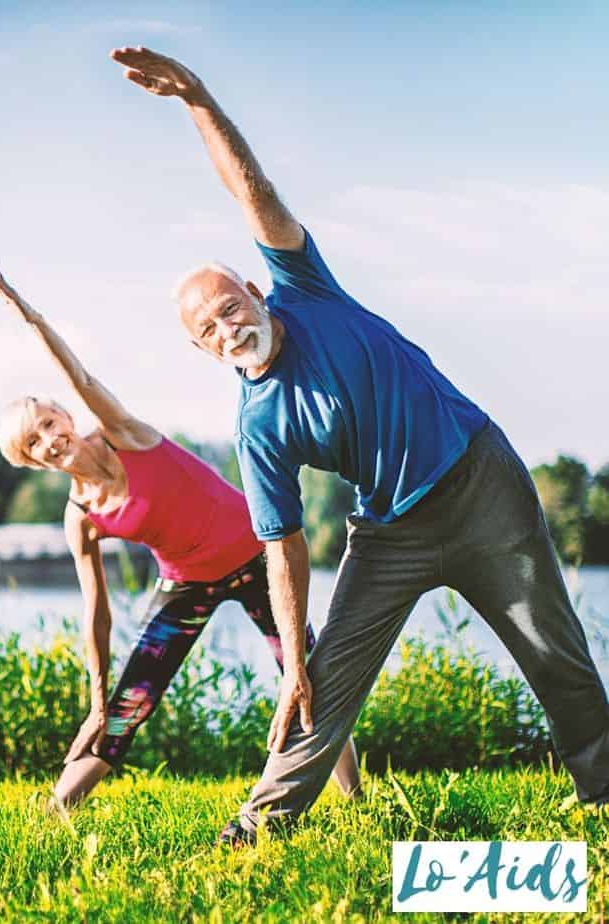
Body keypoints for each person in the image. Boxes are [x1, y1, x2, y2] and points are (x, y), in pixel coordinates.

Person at [109, 46, 609, 842]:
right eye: (206, 329)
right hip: (390, 533)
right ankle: (258, 827)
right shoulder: (258, 427)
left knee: (553, 652)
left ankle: (603, 796)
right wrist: (295, 658)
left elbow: (254, 192)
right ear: (202, 351)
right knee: (320, 683)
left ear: (249, 287)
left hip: (481, 483)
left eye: (226, 305)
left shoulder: (306, 290)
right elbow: (282, 548)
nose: (225, 325)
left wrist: (197, 99)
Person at [0, 261, 362, 810]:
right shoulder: (81, 516)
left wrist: (33, 319)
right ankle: (53, 812)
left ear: (65, 417)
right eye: (34, 443)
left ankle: (355, 802)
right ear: (31, 462)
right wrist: (97, 701)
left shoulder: (123, 434)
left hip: (258, 558)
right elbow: (97, 612)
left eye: (49, 423)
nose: (50, 439)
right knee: (127, 705)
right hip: (188, 584)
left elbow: (82, 379)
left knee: (305, 673)